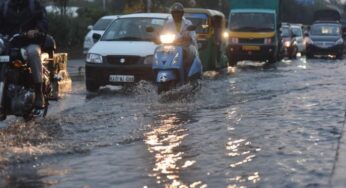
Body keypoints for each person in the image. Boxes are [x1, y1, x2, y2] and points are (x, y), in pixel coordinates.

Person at [0, 0, 48, 110]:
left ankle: (38, 92)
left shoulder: (34, 5)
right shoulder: (4, 6)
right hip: (9, 42)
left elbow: (43, 20)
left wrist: (36, 30)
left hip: (29, 42)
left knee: (33, 53)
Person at [162, 2, 198, 72]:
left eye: (178, 12)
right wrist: (157, 37)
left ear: (182, 13)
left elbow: (193, 36)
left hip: (185, 47)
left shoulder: (188, 23)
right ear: (172, 14)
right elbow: (163, 34)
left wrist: (188, 37)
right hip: (171, 48)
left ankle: (185, 72)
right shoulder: (168, 23)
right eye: (174, 13)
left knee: (186, 59)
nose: (176, 14)